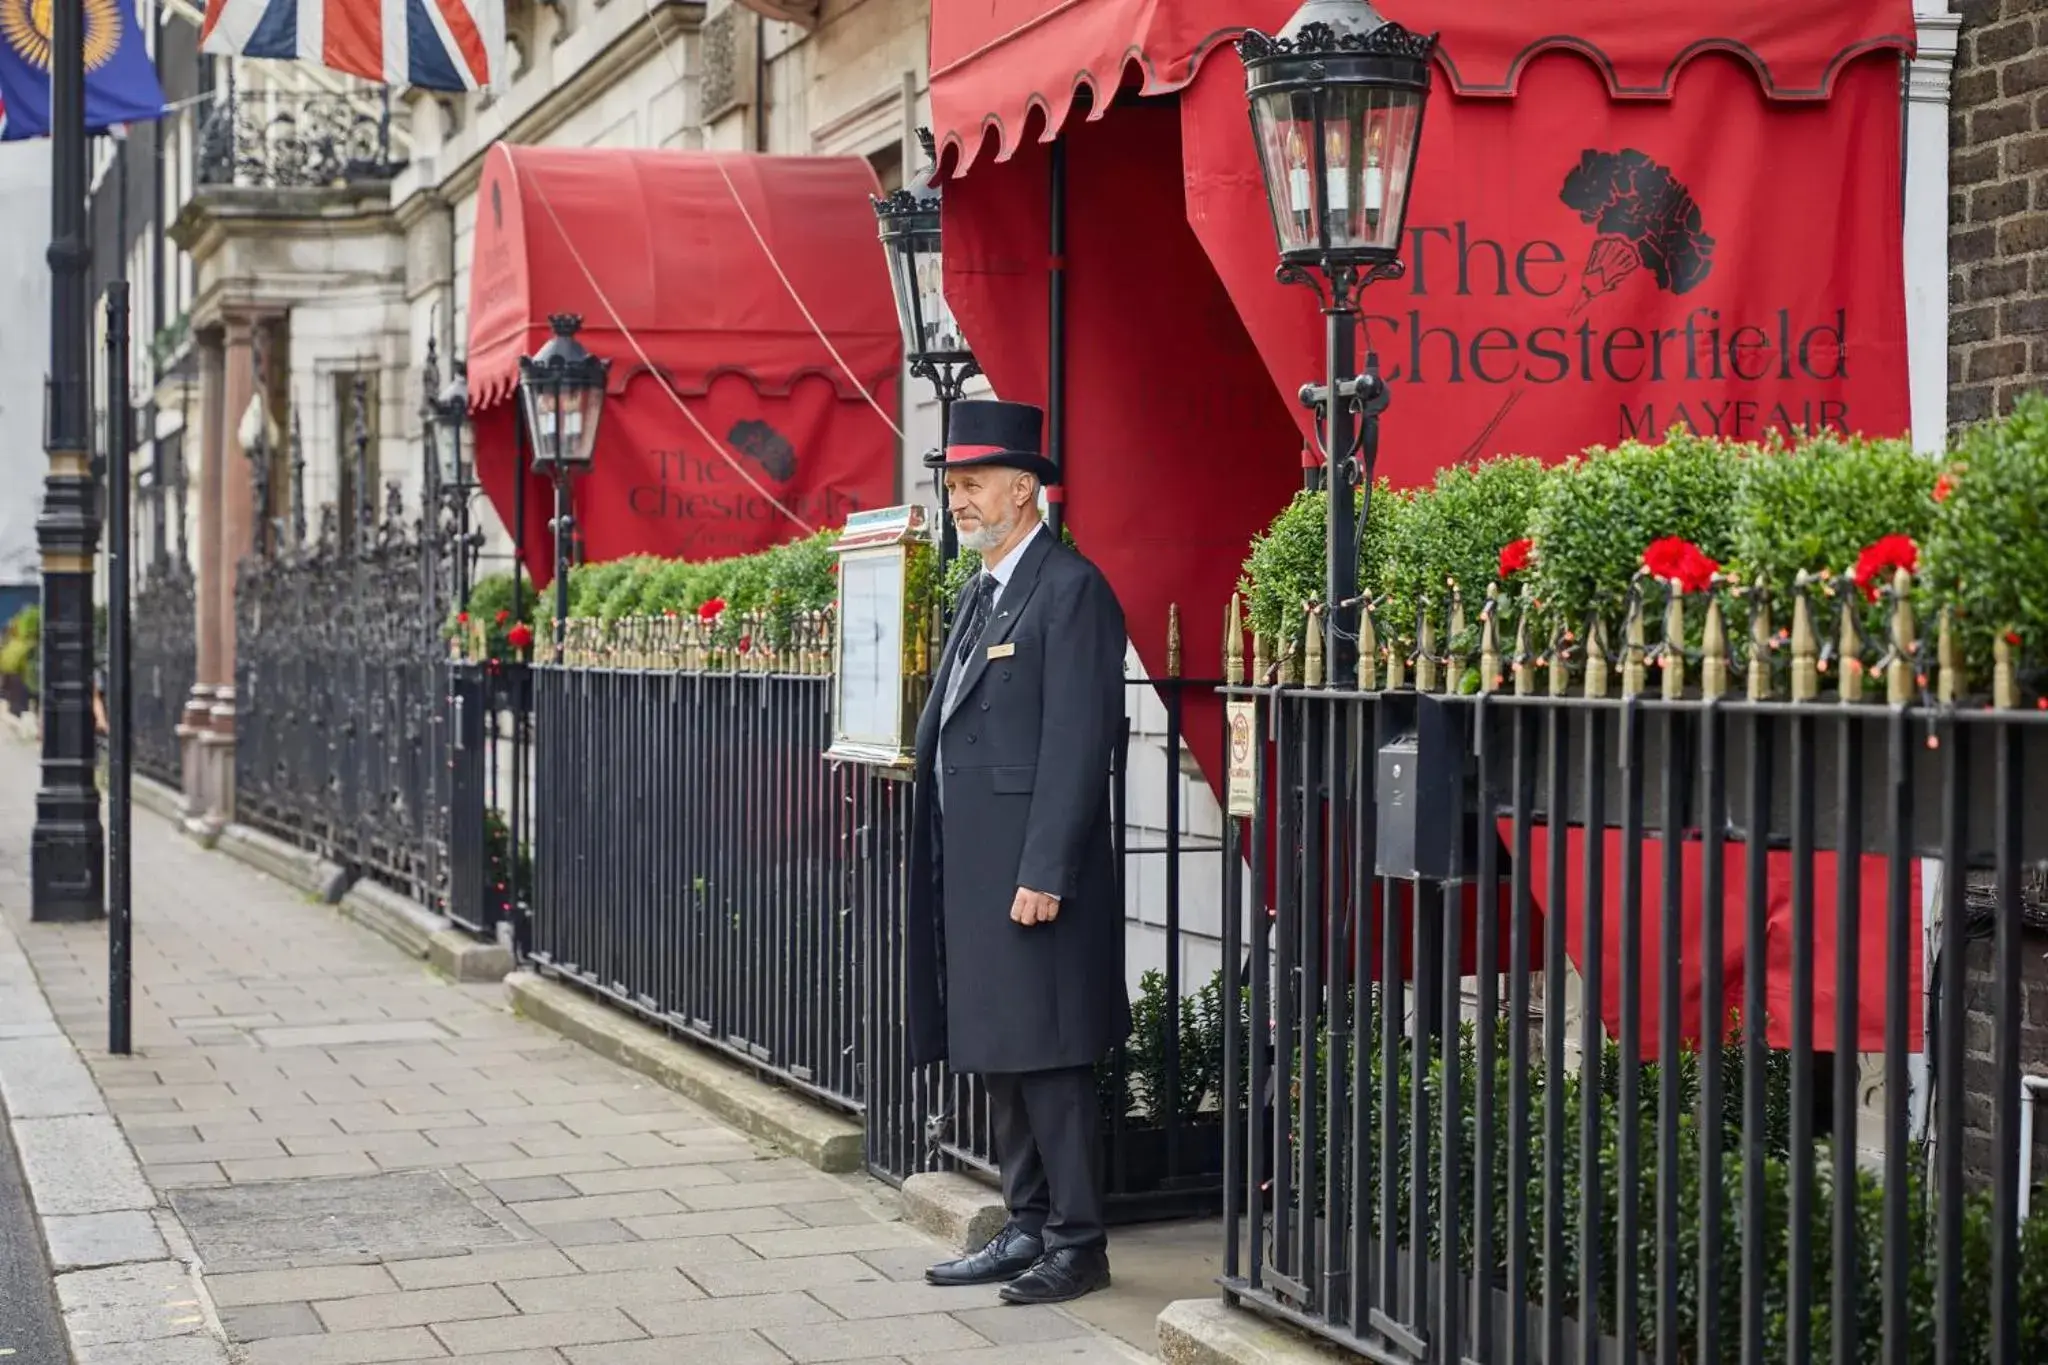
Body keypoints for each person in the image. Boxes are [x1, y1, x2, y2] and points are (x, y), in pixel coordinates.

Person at [904, 398, 1130, 1307]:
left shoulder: (1071, 588)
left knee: (1051, 1057)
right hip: (977, 867)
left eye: (973, 484)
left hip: (1035, 873)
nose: (958, 499)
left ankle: (1079, 1241)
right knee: (1003, 1050)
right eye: (953, 484)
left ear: (1025, 488)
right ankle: (1026, 1222)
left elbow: (1080, 741)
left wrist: (1045, 868)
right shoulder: (983, 587)